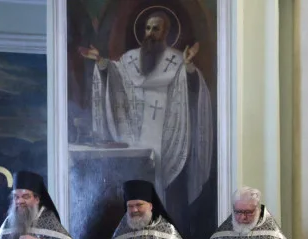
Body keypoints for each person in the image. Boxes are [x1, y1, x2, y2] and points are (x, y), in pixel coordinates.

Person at [81, 10, 213, 207]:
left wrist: (188, 66)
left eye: (156, 29)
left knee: (162, 188)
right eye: (148, 28)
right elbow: (115, 77)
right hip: (133, 130)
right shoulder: (130, 59)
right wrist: (101, 62)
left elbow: (193, 90)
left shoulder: (176, 59)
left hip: (165, 132)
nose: (150, 33)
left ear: (166, 32)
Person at [97, 180, 195, 239]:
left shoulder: (167, 231)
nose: (134, 210)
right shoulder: (119, 235)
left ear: (150, 206)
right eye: (130, 206)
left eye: (139, 205)